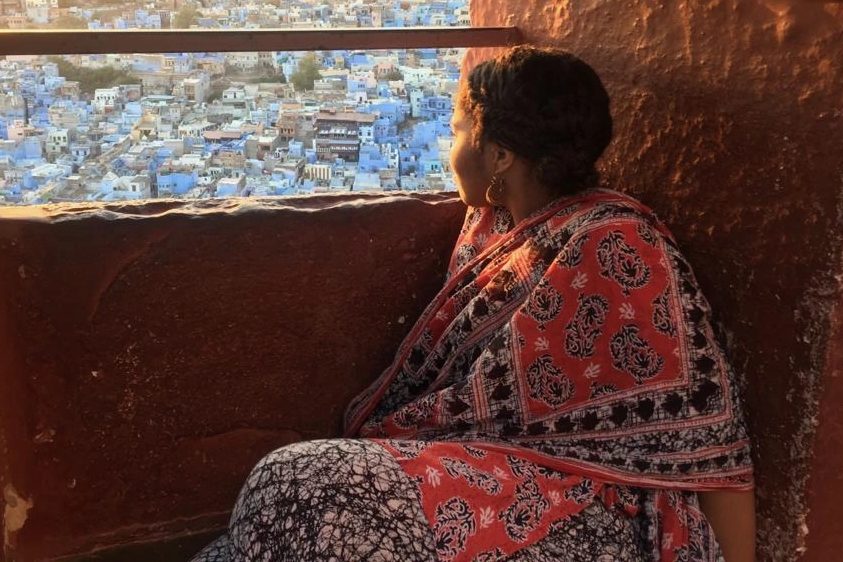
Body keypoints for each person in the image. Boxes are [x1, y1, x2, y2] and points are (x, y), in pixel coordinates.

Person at [193, 46, 754, 562]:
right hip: (484, 465)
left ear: (500, 155)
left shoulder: (618, 246)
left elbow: (713, 438)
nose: (450, 149)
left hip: (587, 508)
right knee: (284, 503)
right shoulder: (492, 227)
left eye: (456, 131)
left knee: (298, 484)